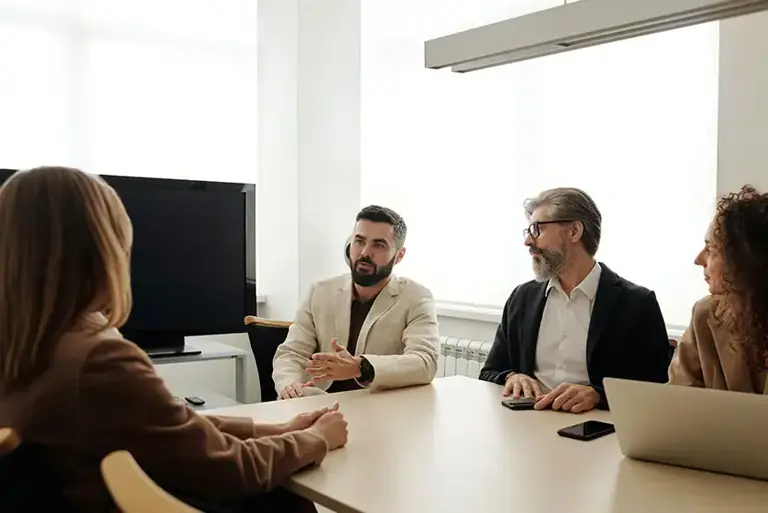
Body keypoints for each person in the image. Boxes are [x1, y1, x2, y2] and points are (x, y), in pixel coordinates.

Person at [0, 167, 348, 513]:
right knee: (283, 497)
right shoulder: (98, 360)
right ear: (101, 248)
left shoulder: (28, 345)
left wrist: (276, 429)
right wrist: (315, 439)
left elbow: (170, 428)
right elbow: (226, 468)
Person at [479, 187, 672, 413]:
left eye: (537, 229)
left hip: (595, 428)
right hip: (526, 423)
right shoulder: (522, 298)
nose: (528, 241)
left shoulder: (637, 303)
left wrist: (599, 395)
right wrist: (511, 376)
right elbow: (490, 372)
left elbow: (657, 388)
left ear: (574, 231)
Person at [273, 205, 439, 400]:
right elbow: (291, 353)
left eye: (379, 245)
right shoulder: (319, 291)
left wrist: (361, 367)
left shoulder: (416, 297)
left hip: (380, 407)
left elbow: (425, 362)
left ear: (399, 255)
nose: (365, 253)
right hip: (318, 403)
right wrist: (290, 384)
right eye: (359, 241)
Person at [669, 185, 768, 393]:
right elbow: (676, 398)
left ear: (746, 258)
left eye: (711, 248)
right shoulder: (705, 314)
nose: (698, 259)